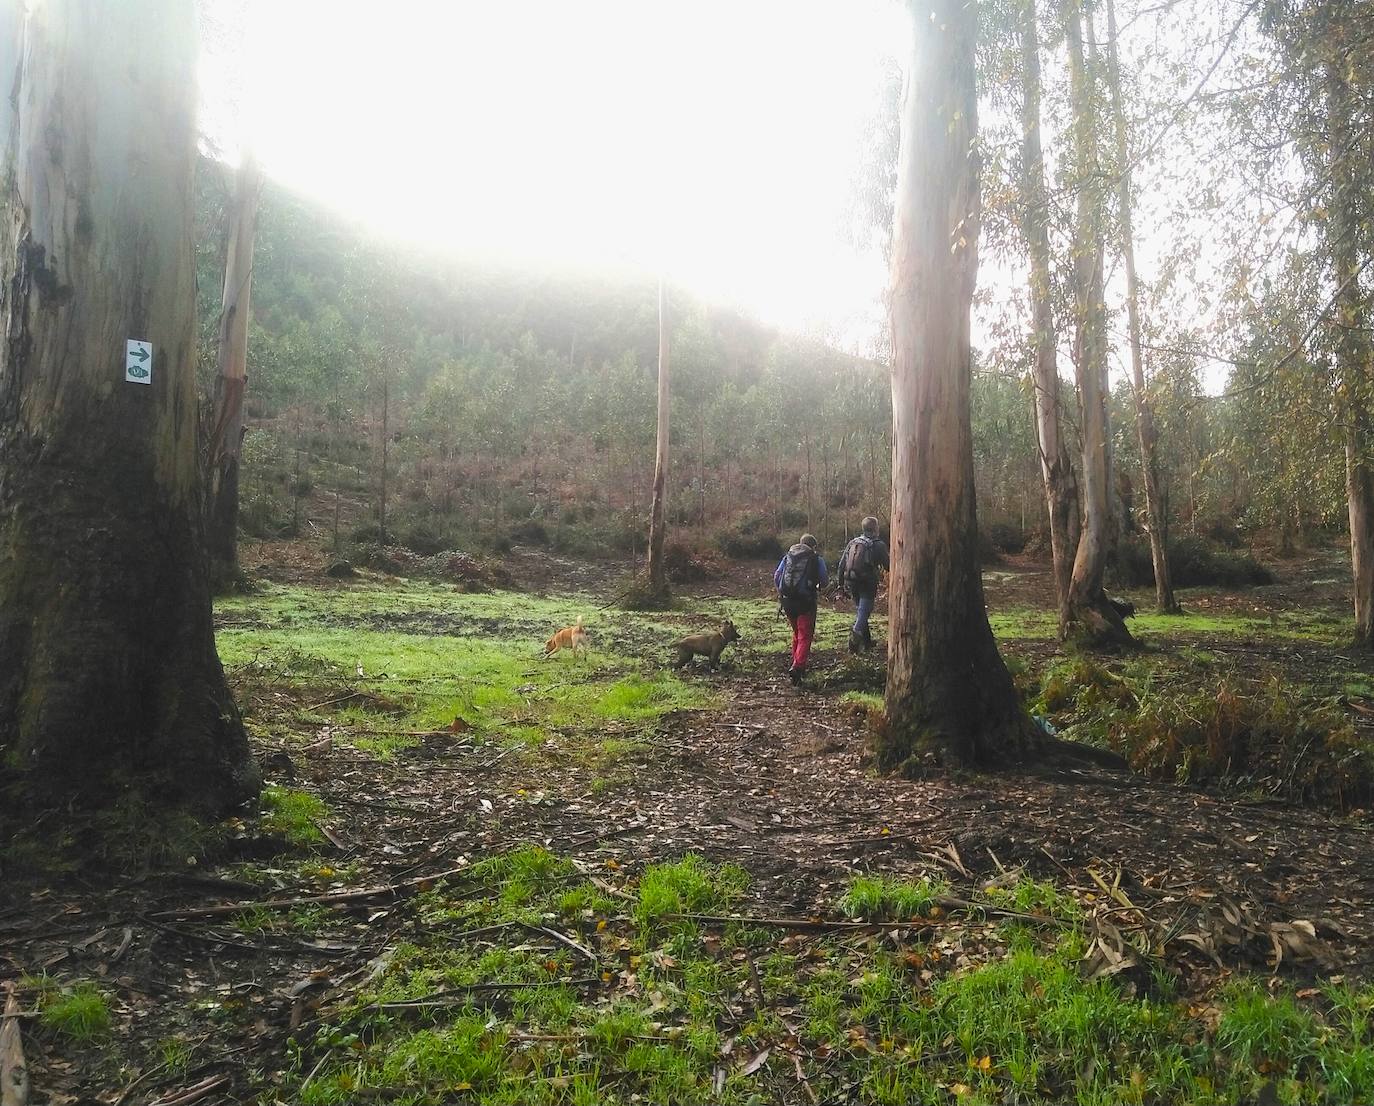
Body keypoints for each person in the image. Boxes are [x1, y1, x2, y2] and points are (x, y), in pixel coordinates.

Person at [774, 533, 828, 684]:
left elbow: (777, 576)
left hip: (788, 602)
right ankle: (798, 667)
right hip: (806, 602)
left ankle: (796, 661)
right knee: (805, 635)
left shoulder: (788, 557)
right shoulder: (816, 559)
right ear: (813, 546)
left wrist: (782, 593)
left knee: (797, 633)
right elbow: (824, 581)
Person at [838, 516, 889, 654]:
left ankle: (866, 642)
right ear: (876, 528)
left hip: (852, 581)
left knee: (861, 610)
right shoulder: (878, 545)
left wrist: (840, 585)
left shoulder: (853, 543)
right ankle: (853, 642)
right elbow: (889, 566)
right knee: (864, 612)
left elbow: (842, 564)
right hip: (867, 582)